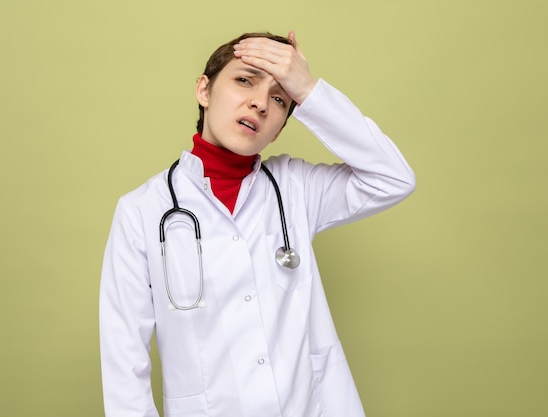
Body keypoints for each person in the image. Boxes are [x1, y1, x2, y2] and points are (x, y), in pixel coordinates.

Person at [100, 30, 416, 417]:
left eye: (280, 98)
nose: (260, 103)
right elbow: (123, 363)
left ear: (281, 126)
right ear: (204, 90)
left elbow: (394, 178)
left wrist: (309, 90)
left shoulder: (296, 188)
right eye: (244, 80)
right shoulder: (142, 212)